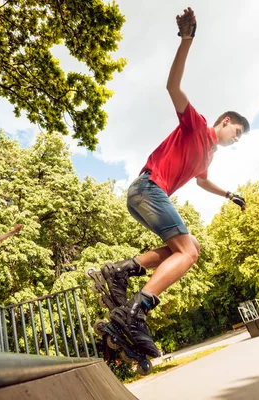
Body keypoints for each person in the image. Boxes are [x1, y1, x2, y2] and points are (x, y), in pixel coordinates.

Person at [99, 7, 249, 358]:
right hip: (148, 188)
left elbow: (201, 182)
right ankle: (134, 313)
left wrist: (228, 194)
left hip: (143, 195)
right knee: (191, 251)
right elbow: (172, 86)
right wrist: (187, 39)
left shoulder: (208, 156)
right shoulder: (196, 124)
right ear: (225, 121)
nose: (235, 139)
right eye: (236, 132)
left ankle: (122, 271)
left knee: (179, 250)